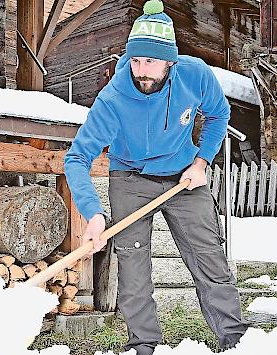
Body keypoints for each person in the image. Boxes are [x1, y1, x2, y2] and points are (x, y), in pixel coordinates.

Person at [63, 1, 248, 354]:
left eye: (150, 61)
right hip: (130, 178)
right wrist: (93, 212)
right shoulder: (113, 99)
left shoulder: (195, 74)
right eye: (135, 60)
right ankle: (145, 346)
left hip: (184, 177)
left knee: (210, 259)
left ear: (169, 61)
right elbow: (77, 158)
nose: (141, 71)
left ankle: (236, 341)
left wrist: (202, 162)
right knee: (133, 271)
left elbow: (218, 114)